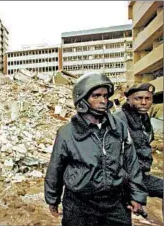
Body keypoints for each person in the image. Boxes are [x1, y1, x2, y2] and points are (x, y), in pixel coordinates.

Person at [44, 72, 147, 226]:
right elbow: (56, 167)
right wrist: (53, 198)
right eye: (96, 96)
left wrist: (137, 195)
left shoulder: (119, 127)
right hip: (79, 205)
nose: (103, 101)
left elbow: (131, 162)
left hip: (114, 202)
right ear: (82, 99)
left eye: (105, 96)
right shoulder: (66, 133)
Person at [114, 83, 163, 200]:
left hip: (140, 174)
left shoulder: (144, 118)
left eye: (148, 98)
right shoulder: (119, 119)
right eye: (138, 98)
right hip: (125, 177)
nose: (144, 102)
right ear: (128, 99)